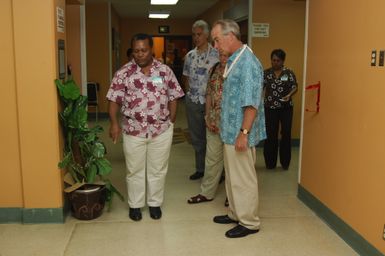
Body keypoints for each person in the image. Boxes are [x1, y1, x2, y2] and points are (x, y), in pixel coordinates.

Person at [106, 33, 184, 221]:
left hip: (161, 130)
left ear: (152, 50)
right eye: (136, 51)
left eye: (144, 50)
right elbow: (113, 100)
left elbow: (174, 94)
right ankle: (135, 205)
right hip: (134, 130)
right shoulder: (123, 73)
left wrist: (171, 119)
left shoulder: (165, 71)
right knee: (135, 170)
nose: (139, 54)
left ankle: (155, 204)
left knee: (158, 169)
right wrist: (114, 123)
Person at [210, 19, 266, 238]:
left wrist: (244, 133)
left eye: (216, 40)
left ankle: (249, 222)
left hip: (240, 133)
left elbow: (251, 102)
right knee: (233, 178)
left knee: (244, 180)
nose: (215, 46)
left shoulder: (248, 63)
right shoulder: (235, 60)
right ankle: (235, 213)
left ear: (230, 36)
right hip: (230, 132)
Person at [187, 51, 229, 204]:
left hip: (231, 124)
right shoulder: (214, 69)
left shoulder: (238, 70)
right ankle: (207, 193)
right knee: (212, 159)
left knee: (231, 163)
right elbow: (209, 94)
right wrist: (207, 116)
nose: (223, 59)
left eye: (227, 56)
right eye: (222, 56)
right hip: (213, 122)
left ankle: (231, 198)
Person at [183, 19, 219, 180]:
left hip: (211, 103)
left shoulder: (217, 55)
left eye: (199, 34)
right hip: (193, 101)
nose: (196, 38)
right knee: (197, 138)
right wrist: (188, 95)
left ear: (207, 35)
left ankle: (217, 172)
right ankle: (200, 169)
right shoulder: (189, 56)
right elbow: (185, 78)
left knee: (214, 139)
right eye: (194, 35)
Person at [263, 49, 297, 170]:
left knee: (286, 134)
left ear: (283, 61)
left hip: (286, 108)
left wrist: (289, 95)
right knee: (271, 135)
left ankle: (285, 163)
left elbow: (294, 87)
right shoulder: (266, 73)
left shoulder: (288, 72)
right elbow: (260, 88)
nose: (275, 62)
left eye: (278, 60)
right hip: (270, 108)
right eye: (273, 60)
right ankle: (270, 163)